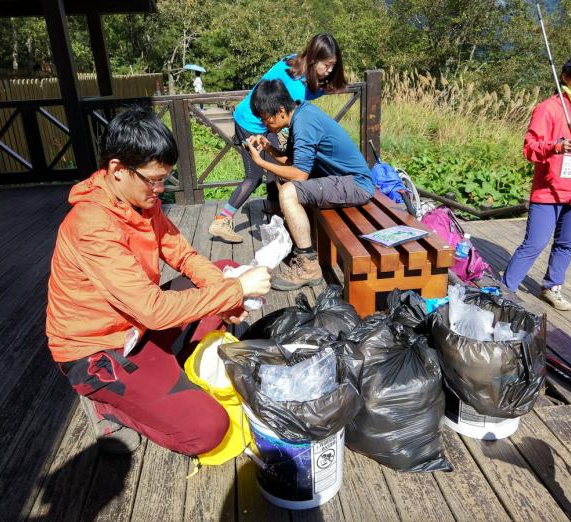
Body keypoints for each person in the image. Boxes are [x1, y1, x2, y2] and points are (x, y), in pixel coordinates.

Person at [45, 107, 272, 455]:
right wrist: (237, 290)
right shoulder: (92, 225)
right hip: (98, 351)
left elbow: (184, 256)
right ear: (118, 169)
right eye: (153, 180)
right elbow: (153, 311)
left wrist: (228, 295)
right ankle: (108, 404)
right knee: (208, 430)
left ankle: (164, 373)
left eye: (165, 178)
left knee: (223, 267)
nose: (161, 189)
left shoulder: (141, 202)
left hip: (136, 324)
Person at [208, 33, 347, 243]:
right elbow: (295, 116)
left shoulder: (293, 62)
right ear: (313, 59)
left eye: (332, 66)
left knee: (274, 168)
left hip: (266, 121)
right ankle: (221, 220)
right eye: (327, 65)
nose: (329, 71)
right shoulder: (295, 87)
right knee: (254, 176)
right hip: (251, 122)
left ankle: (275, 212)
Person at [502, 51, 571, 311]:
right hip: (548, 190)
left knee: (566, 244)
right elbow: (530, 148)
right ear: (566, 76)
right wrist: (557, 146)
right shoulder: (549, 107)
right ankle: (505, 290)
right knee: (535, 243)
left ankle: (552, 287)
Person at [245, 79, 375, 290]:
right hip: (340, 180)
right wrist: (269, 149)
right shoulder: (301, 114)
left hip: (356, 184)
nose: (264, 125)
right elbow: (293, 164)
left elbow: (298, 175)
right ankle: (307, 242)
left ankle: (308, 266)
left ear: (280, 111)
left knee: (288, 192)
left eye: (265, 119)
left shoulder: (304, 122)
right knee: (283, 181)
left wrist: (260, 162)